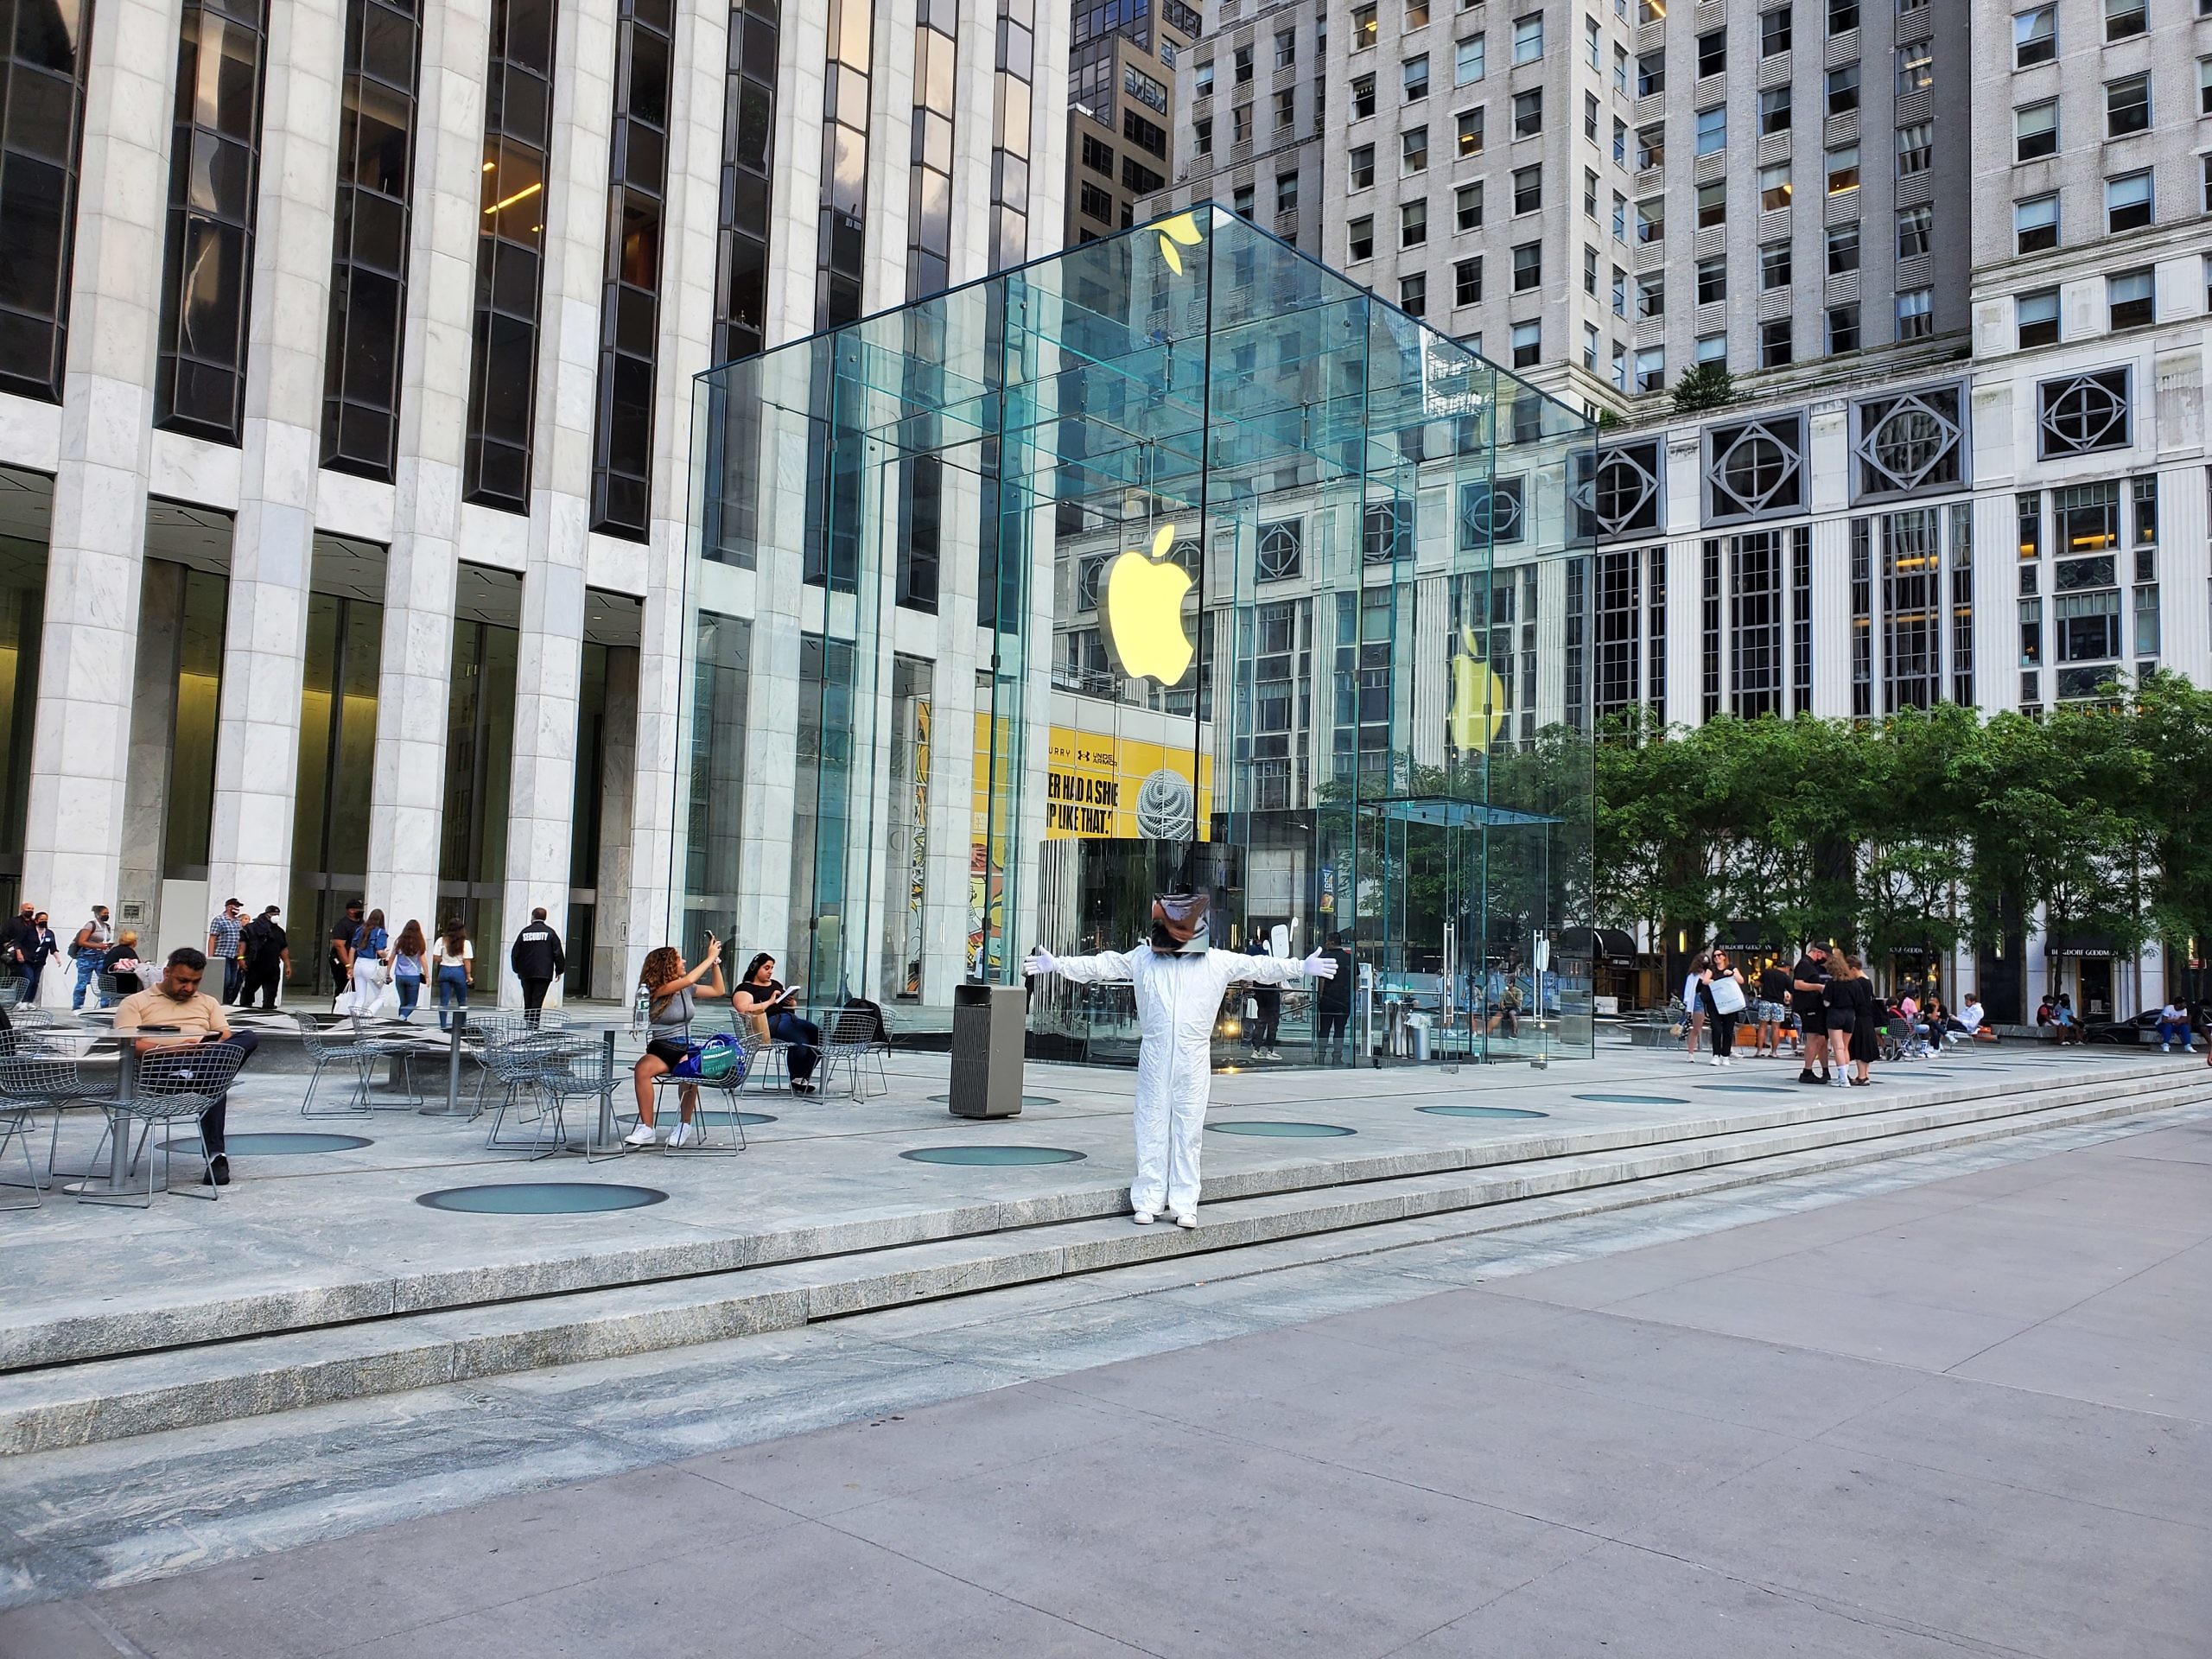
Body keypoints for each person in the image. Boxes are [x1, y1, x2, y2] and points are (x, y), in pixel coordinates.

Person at [1025, 890, 1338, 1229]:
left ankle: (1185, 1202)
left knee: (1188, 1128)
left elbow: (1259, 965)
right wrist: (1058, 964)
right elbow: (1104, 963)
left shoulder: (1215, 961)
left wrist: (1299, 966)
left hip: (1192, 1055)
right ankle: (1148, 1199)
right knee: (1150, 1124)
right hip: (1156, 1053)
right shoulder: (1145, 958)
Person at [114, 947, 261, 1187]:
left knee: (248, 1037)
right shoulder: (136, 1003)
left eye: (195, 982)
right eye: (183, 981)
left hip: (203, 1060)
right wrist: (176, 1049)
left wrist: (207, 1045)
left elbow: (225, 1034)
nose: (189, 988)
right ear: (167, 972)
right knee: (216, 1081)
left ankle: (203, 1071)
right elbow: (129, 1045)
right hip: (162, 1068)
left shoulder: (207, 1002)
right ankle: (216, 1157)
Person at [627, 937, 727, 1147]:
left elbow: (718, 991)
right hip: (662, 1048)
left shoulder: (686, 989)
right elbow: (689, 979)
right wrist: (709, 958)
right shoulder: (655, 990)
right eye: (678, 959)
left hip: (686, 1046)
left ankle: (684, 1124)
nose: (683, 962)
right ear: (667, 966)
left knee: (689, 1069)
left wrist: (715, 964)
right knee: (642, 1069)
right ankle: (646, 1128)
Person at [733, 952, 821, 1092]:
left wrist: (791, 1002)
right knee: (800, 1039)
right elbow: (744, 1009)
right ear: (755, 968)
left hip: (789, 1018)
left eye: (772, 968)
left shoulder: (775, 984)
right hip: (767, 1024)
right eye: (766, 968)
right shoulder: (746, 988)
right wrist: (769, 1002)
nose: (770, 972)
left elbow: (789, 1004)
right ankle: (797, 1077)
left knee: (818, 1035)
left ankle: (802, 1076)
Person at [1824, 955, 1879, 1087]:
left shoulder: (1835, 983)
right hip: (1853, 1016)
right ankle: (1862, 1075)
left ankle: (1844, 1078)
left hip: (1841, 1015)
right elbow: (1859, 1001)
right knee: (1846, 1047)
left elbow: (1826, 1002)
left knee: (1839, 1047)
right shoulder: (1862, 982)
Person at [1790, 942, 1833, 1084]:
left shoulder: (1812, 965)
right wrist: (1819, 987)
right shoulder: (1805, 964)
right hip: (1809, 1007)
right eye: (1825, 955)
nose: (1825, 959)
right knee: (1815, 1038)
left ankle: (1824, 1070)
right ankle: (1807, 1071)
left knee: (1822, 1038)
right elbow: (1798, 984)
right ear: (1818, 952)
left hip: (1816, 1006)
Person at [510, 908, 565, 1018]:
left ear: (533, 917)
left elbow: (515, 952)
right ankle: (534, 1023)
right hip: (544, 973)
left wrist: (516, 968)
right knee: (538, 998)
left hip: (526, 972)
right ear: (545, 917)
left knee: (528, 997)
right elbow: (558, 953)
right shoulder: (550, 933)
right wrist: (559, 970)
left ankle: (528, 1020)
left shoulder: (525, 932)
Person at [1698, 948, 1745, 1067]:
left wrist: (1732, 974)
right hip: (1715, 1004)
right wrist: (1713, 981)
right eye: (1715, 956)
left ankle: (1725, 1056)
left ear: (1724, 956)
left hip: (1730, 1003)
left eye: (1719, 955)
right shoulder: (1711, 969)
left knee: (1728, 1030)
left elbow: (1741, 980)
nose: (1717, 957)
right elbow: (1705, 981)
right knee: (1716, 1029)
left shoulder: (1731, 967)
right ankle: (1716, 1055)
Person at [237, 906, 290, 1008]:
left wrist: (287, 965)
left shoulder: (279, 931)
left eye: (277, 915)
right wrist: (240, 958)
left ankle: (268, 1009)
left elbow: (283, 948)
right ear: (267, 915)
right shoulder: (252, 928)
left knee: (270, 995)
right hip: (255, 965)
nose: (275, 917)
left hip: (272, 967)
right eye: (273, 914)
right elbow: (242, 944)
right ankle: (245, 1010)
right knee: (248, 991)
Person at [1314, 931, 1353, 1063]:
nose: (1326, 944)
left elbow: (1322, 980)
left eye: (1327, 941)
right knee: (1340, 1030)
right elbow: (1356, 980)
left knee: (1324, 1029)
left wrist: (1320, 997)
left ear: (1331, 942)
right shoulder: (1349, 958)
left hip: (1328, 999)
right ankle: (1337, 1057)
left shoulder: (1325, 958)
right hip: (1344, 1000)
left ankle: (1321, 1056)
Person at [1244, 935, 1283, 1061]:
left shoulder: (1252, 950)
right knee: (1272, 1022)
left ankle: (1257, 1050)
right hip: (1270, 990)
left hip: (1259, 989)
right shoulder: (1270, 951)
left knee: (1261, 1021)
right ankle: (1270, 1050)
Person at [70, 905, 115, 1009]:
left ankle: (105, 1006)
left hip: (101, 956)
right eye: (104, 913)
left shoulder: (106, 927)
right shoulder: (90, 925)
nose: (107, 915)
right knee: (83, 982)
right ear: (97, 914)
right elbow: (82, 941)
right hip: (87, 957)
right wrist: (99, 946)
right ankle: (78, 1006)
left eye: (108, 914)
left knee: (104, 981)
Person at [433, 918, 473, 1031]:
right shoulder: (465, 943)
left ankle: (443, 1025)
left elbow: (435, 956)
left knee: (444, 1001)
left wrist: (443, 960)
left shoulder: (441, 940)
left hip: (444, 970)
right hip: (459, 971)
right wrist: (469, 975)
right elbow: (467, 960)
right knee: (462, 1001)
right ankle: (462, 1025)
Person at [348, 907, 391, 1012]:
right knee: (381, 996)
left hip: (358, 964)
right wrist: (385, 954)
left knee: (360, 997)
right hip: (371, 965)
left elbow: (352, 949)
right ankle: (368, 1015)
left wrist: (350, 967)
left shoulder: (360, 930)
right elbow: (380, 952)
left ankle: (354, 1020)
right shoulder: (380, 932)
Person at [207, 898, 248, 1003]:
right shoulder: (219, 920)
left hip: (233, 956)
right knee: (225, 980)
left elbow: (240, 940)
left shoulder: (237, 921)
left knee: (232, 982)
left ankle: (227, 1002)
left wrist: (240, 956)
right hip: (222, 955)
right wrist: (211, 958)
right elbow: (212, 938)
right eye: (235, 906)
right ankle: (220, 1002)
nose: (237, 909)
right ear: (229, 907)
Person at [390, 920, 429, 1020]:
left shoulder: (399, 941)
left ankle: (401, 1023)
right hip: (413, 976)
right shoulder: (419, 943)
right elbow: (423, 960)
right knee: (412, 1003)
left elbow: (391, 957)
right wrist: (427, 976)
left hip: (399, 975)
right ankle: (402, 1017)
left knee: (403, 1003)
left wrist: (387, 972)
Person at [329, 899, 364, 995]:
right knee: (343, 988)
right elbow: (339, 946)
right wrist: (348, 966)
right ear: (350, 910)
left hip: (357, 962)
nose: (360, 911)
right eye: (357, 909)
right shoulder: (342, 925)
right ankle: (338, 1010)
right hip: (341, 962)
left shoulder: (362, 923)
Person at [1680, 951, 1709, 1062]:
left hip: (1709, 1001)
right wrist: (1688, 1007)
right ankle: (1691, 1053)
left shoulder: (1710, 974)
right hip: (1698, 1001)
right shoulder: (1693, 976)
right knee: (1696, 1028)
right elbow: (1688, 992)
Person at [102, 931, 146, 996]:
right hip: (118, 985)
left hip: (105, 983)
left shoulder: (114, 950)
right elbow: (138, 967)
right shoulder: (128, 951)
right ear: (134, 942)